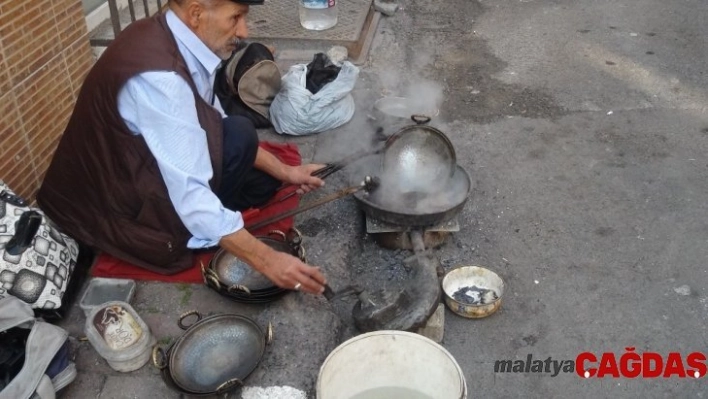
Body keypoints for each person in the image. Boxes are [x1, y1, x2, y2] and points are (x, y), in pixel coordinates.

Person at [37, 0, 328, 295]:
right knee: (231, 162)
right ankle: (190, 230)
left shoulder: (178, 37)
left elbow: (216, 121)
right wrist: (268, 260)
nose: (244, 30)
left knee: (255, 166)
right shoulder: (162, 80)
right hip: (113, 206)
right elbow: (191, 195)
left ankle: (216, 221)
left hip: (143, 166)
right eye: (235, 18)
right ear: (197, 13)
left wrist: (288, 172)